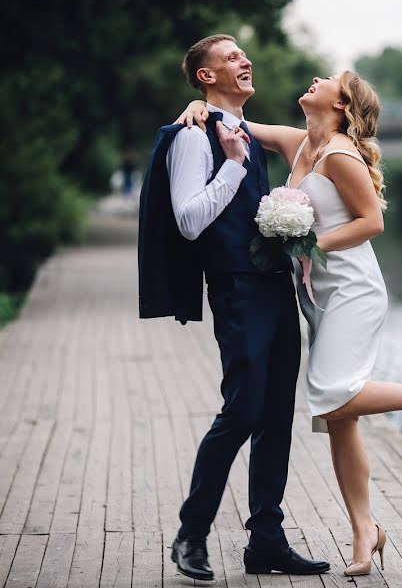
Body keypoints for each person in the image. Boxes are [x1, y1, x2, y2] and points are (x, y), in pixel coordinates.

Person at [176, 70, 402, 576]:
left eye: (328, 79)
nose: (315, 78)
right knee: (340, 418)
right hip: (318, 293)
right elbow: (237, 123)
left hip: (351, 288)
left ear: (341, 104)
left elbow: (372, 221)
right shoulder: (302, 143)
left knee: (332, 394)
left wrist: (308, 246)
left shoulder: (340, 154)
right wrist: (197, 110)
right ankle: (366, 533)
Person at [141, 34, 330, 580]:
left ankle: (266, 542)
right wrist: (230, 165)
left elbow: (321, 140)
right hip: (236, 290)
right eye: (229, 57)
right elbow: (189, 221)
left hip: (274, 287)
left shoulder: (243, 128)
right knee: (242, 413)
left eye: (244, 53)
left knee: (276, 418)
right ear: (205, 76)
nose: (245, 60)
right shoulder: (193, 138)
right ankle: (191, 535)